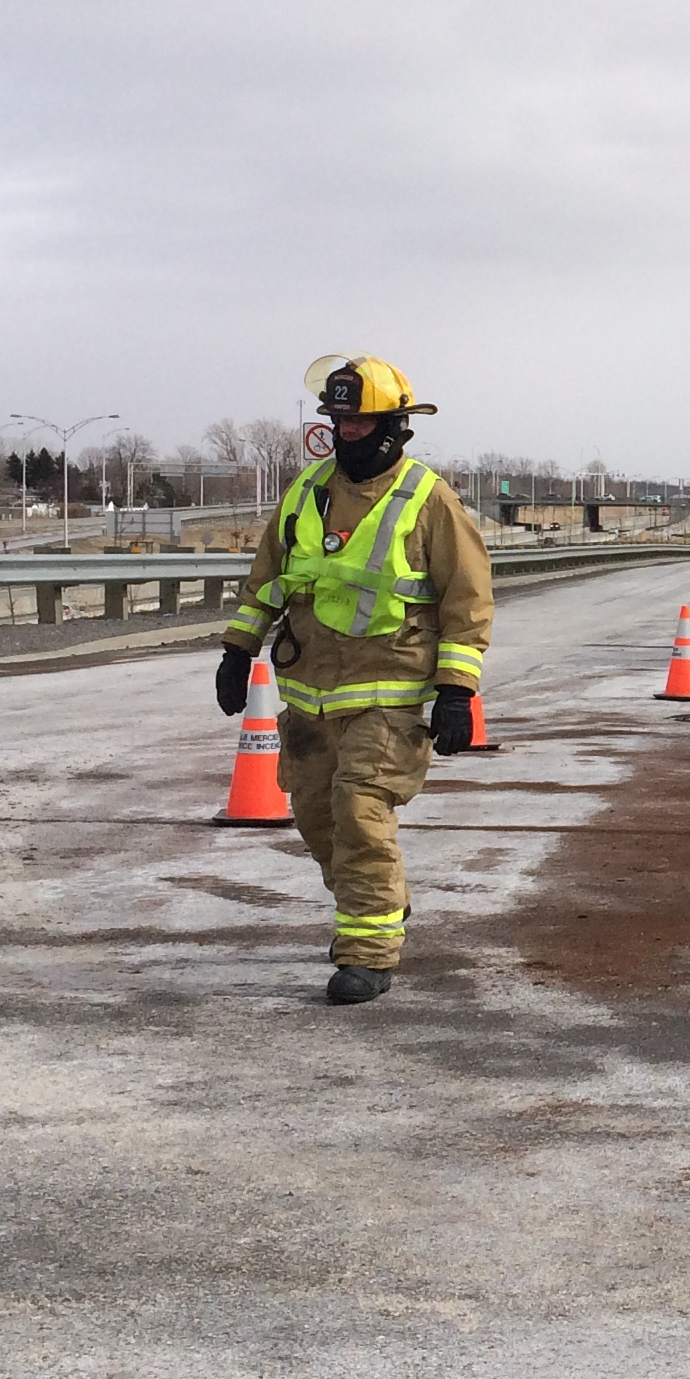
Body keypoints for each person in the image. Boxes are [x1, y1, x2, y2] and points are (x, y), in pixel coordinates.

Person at [215, 354, 492, 1005]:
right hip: (309, 693)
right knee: (316, 817)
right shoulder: (307, 492)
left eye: (361, 424)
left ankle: (367, 954)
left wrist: (457, 691)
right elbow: (267, 579)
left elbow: (468, 598)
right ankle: (378, 908)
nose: (347, 434)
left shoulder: (428, 499)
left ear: (395, 426)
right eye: (339, 421)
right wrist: (237, 650)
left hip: (389, 695)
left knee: (359, 812)